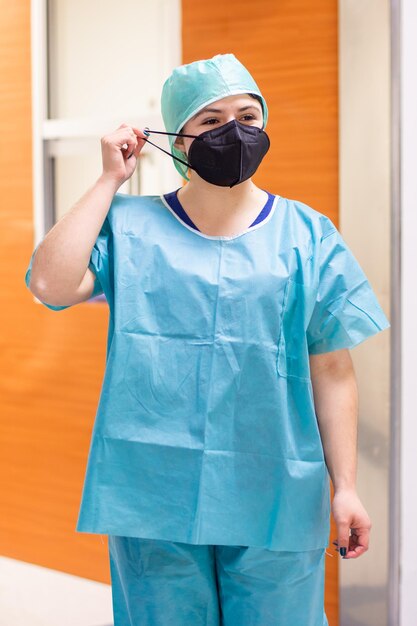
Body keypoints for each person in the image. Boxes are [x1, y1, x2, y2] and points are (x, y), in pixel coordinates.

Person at [25, 53, 390, 625]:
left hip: (275, 489)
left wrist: (346, 487)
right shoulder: (130, 226)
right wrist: (107, 179)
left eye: (247, 115)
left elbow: (333, 370)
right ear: (178, 139)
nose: (234, 132)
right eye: (211, 120)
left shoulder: (307, 235)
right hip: (152, 494)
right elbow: (50, 282)